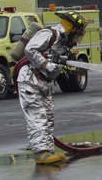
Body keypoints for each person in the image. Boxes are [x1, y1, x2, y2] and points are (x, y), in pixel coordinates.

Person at [17, 10, 88, 165]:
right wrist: (46, 64)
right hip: (31, 80)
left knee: (48, 118)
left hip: (45, 83)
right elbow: (30, 50)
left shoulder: (62, 44)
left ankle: (48, 150)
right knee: (38, 117)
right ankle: (40, 153)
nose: (77, 38)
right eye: (78, 33)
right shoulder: (49, 34)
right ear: (72, 29)